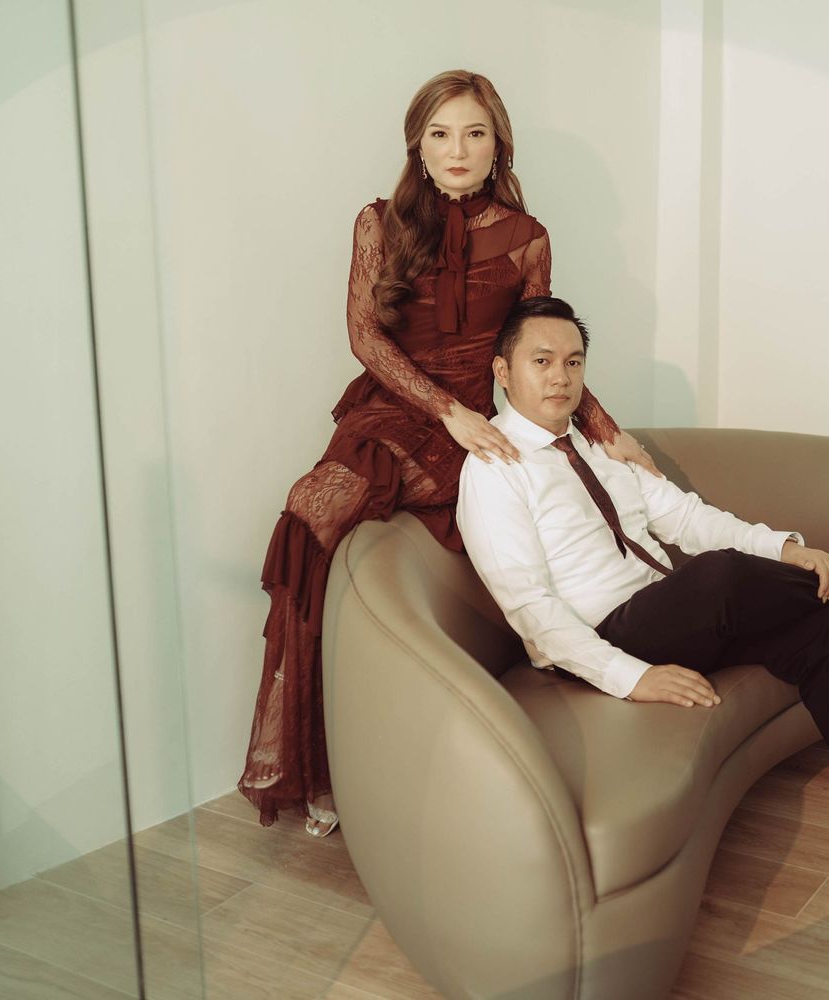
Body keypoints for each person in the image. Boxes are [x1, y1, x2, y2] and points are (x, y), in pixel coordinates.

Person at [238, 73, 657, 836]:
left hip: (475, 423)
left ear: (498, 145)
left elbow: (541, 348)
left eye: (473, 133)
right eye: (439, 134)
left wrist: (604, 430)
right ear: (418, 146)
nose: (456, 149)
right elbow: (365, 337)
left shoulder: (527, 236)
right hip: (395, 412)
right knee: (307, 519)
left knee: (526, 522)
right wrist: (445, 411)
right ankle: (314, 767)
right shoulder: (378, 222)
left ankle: (569, 685)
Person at [456, 296, 829, 884]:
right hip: (604, 636)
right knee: (716, 574)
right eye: (541, 361)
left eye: (573, 361)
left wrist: (787, 550)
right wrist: (632, 677)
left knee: (826, 628)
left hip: (671, 615)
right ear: (503, 371)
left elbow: (688, 518)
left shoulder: (600, 444)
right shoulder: (493, 470)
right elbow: (529, 607)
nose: (561, 377)